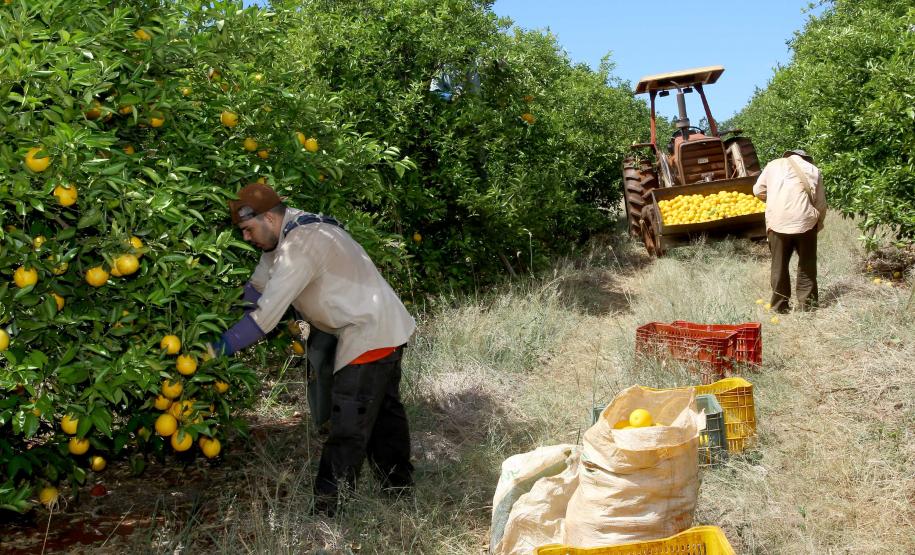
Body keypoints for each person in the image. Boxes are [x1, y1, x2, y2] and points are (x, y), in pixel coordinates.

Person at [211, 183, 416, 515]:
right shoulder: (284, 236)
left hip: (368, 330)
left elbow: (263, 319)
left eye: (248, 230)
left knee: (349, 422)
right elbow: (257, 289)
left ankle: (326, 511)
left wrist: (213, 350)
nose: (247, 238)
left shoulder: (303, 244)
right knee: (382, 414)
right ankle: (398, 488)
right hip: (380, 326)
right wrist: (220, 317)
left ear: (268, 218)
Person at [753, 149, 827, 313]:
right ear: (806, 158)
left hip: (777, 222)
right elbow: (821, 203)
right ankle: (807, 306)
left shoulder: (772, 165)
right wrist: (818, 223)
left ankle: (780, 306)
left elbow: (757, 190)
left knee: (779, 265)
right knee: (807, 265)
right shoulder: (813, 169)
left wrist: (775, 198)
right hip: (805, 221)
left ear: (787, 156)